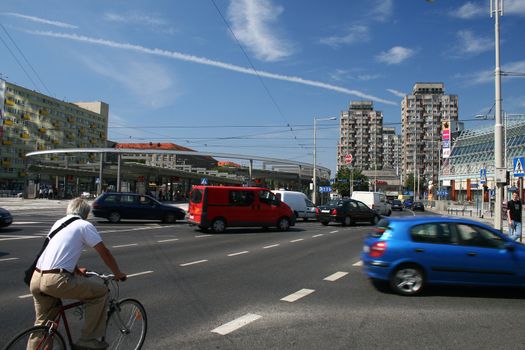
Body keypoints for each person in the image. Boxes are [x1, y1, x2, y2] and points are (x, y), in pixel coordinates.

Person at [29, 198, 126, 350]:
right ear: (86, 214)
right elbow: (104, 252)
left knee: (43, 323)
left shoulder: (58, 223)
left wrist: (75, 269)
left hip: (36, 278)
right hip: (55, 279)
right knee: (100, 293)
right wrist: (118, 273)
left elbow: (58, 253)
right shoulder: (84, 225)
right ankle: (87, 340)